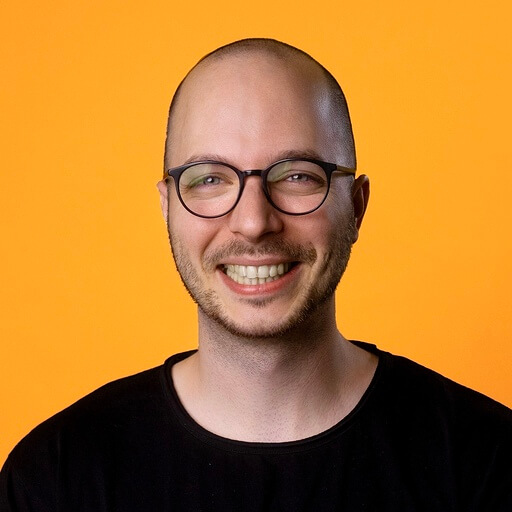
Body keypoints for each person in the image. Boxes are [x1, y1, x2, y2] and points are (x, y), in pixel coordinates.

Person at [1, 38, 511, 511]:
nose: (253, 222)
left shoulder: (489, 462)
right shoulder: (54, 478)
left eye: (297, 176)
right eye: (209, 180)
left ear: (356, 207)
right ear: (167, 209)